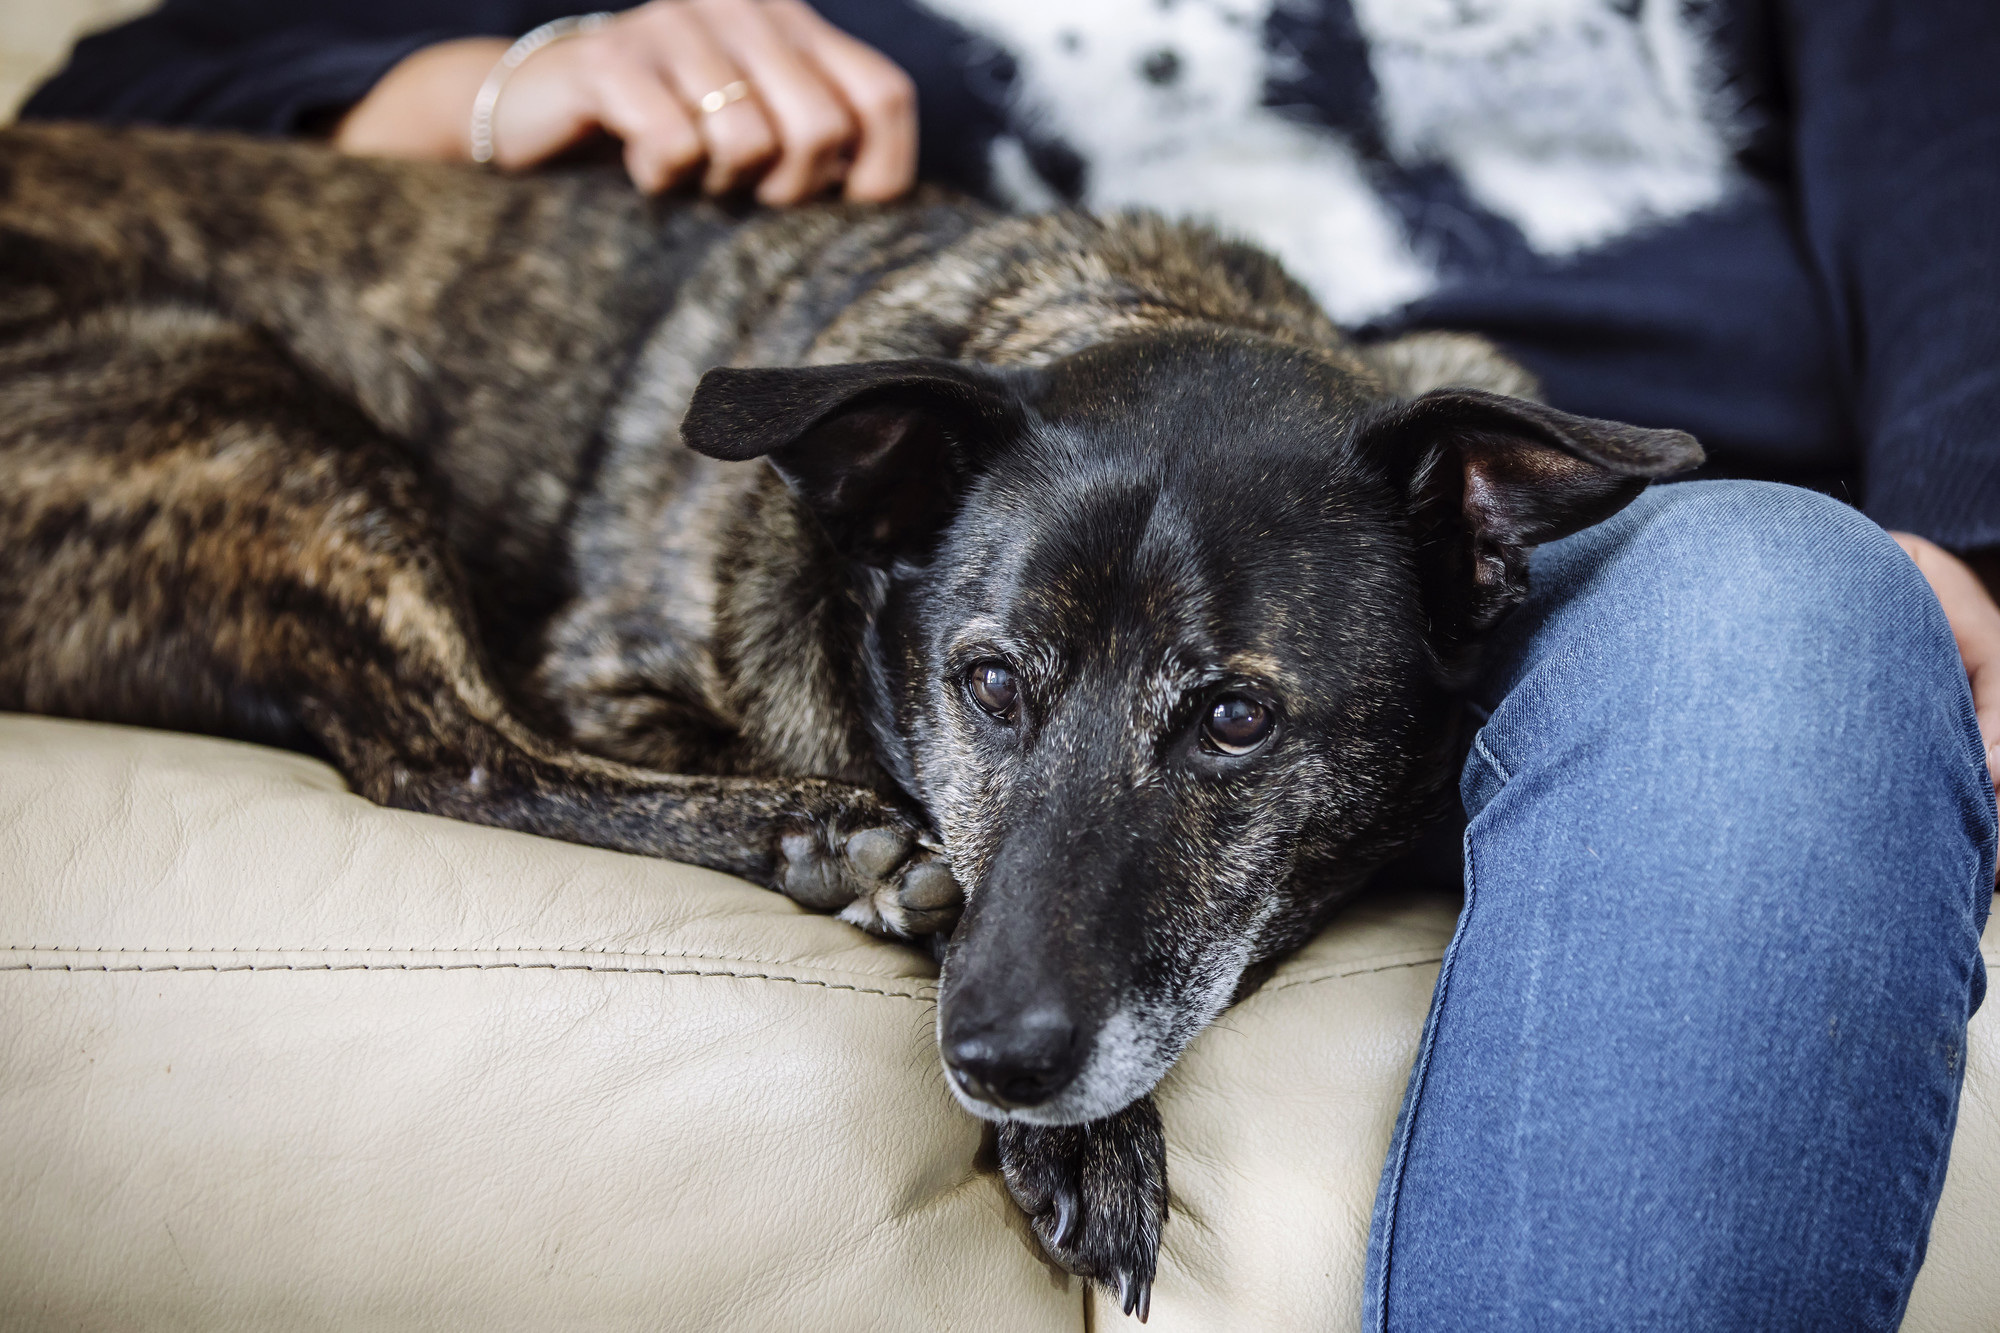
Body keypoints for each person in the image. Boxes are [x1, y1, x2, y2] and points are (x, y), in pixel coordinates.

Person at [24, 3, 1999, 1327]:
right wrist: (493, 74)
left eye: (1217, 728)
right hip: (1020, 434)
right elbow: (146, 85)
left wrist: (1969, 526)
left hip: (1588, 495)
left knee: (1795, 604)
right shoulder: (875, 500)